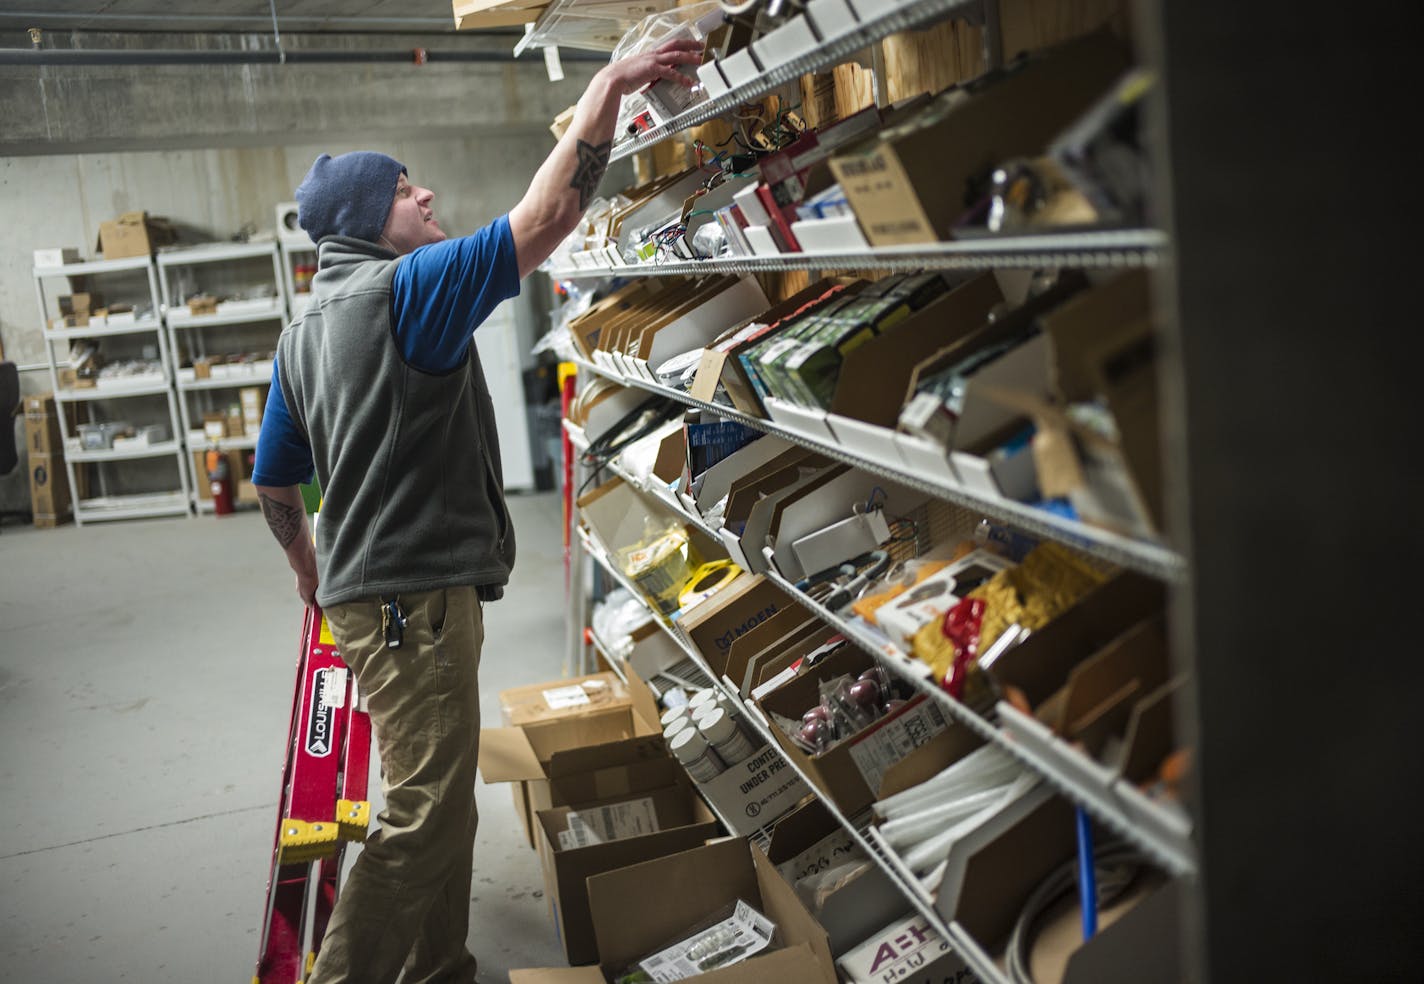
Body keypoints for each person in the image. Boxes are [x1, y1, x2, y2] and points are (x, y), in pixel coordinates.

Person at [251, 37, 703, 984]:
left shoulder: (300, 338)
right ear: (372, 220)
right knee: (422, 810)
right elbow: (547, 216)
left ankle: (439, 966)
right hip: (417, 603)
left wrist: (309, 569)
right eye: (406, 190)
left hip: (371, 601)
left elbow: (275, 483)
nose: (424, 198)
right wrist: (609, 85)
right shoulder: (409, 289)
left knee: (437, 791)